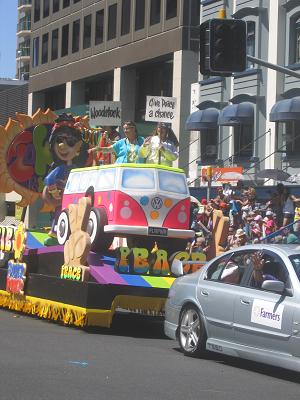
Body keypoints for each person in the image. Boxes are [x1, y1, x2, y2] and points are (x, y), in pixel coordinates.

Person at [43, 113, 89, 245]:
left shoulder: (79, 169)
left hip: (77, 200)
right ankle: (56, 234)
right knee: (60, 215)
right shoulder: (60, 169)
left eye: (70, 142)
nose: (62, 145)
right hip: (63, 200)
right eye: (59, 141)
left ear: (79, 147)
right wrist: (55, 193)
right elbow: (49, 180)